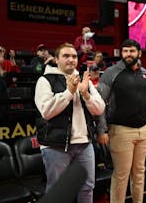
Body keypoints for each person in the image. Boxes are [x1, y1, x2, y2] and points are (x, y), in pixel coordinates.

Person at [34, 42, 105, 203]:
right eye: (66, 56)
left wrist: (85, 93)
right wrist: (69, 92)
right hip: (56, 145)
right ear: (56, 59)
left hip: (84, 143)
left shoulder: (83, 80)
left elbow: (99, 109)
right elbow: (46, 111)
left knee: (87, 188)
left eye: (74, 56)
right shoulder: (45, 80)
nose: (71, 59)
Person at [97, 39, 146, 203]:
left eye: (132, 51)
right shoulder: (111, 72)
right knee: (121, 174)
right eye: (125, 51)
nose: (128, 54)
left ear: (139, 53)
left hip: (144, 130)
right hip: (120, 130)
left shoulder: (145, 73)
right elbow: (100, 103)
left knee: (139, 172)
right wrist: (102, 129)